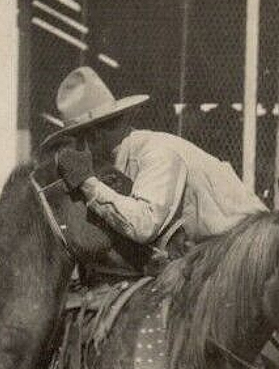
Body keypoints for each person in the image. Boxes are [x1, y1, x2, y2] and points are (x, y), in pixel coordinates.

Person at [47, 66, 265, 250]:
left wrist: (87, 182)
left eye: (78, 139)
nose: (77, 149)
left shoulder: (157, 153)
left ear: (93, 135)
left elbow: (143, 226)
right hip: (219, 251)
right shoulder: (125, 159)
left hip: (253, 249)